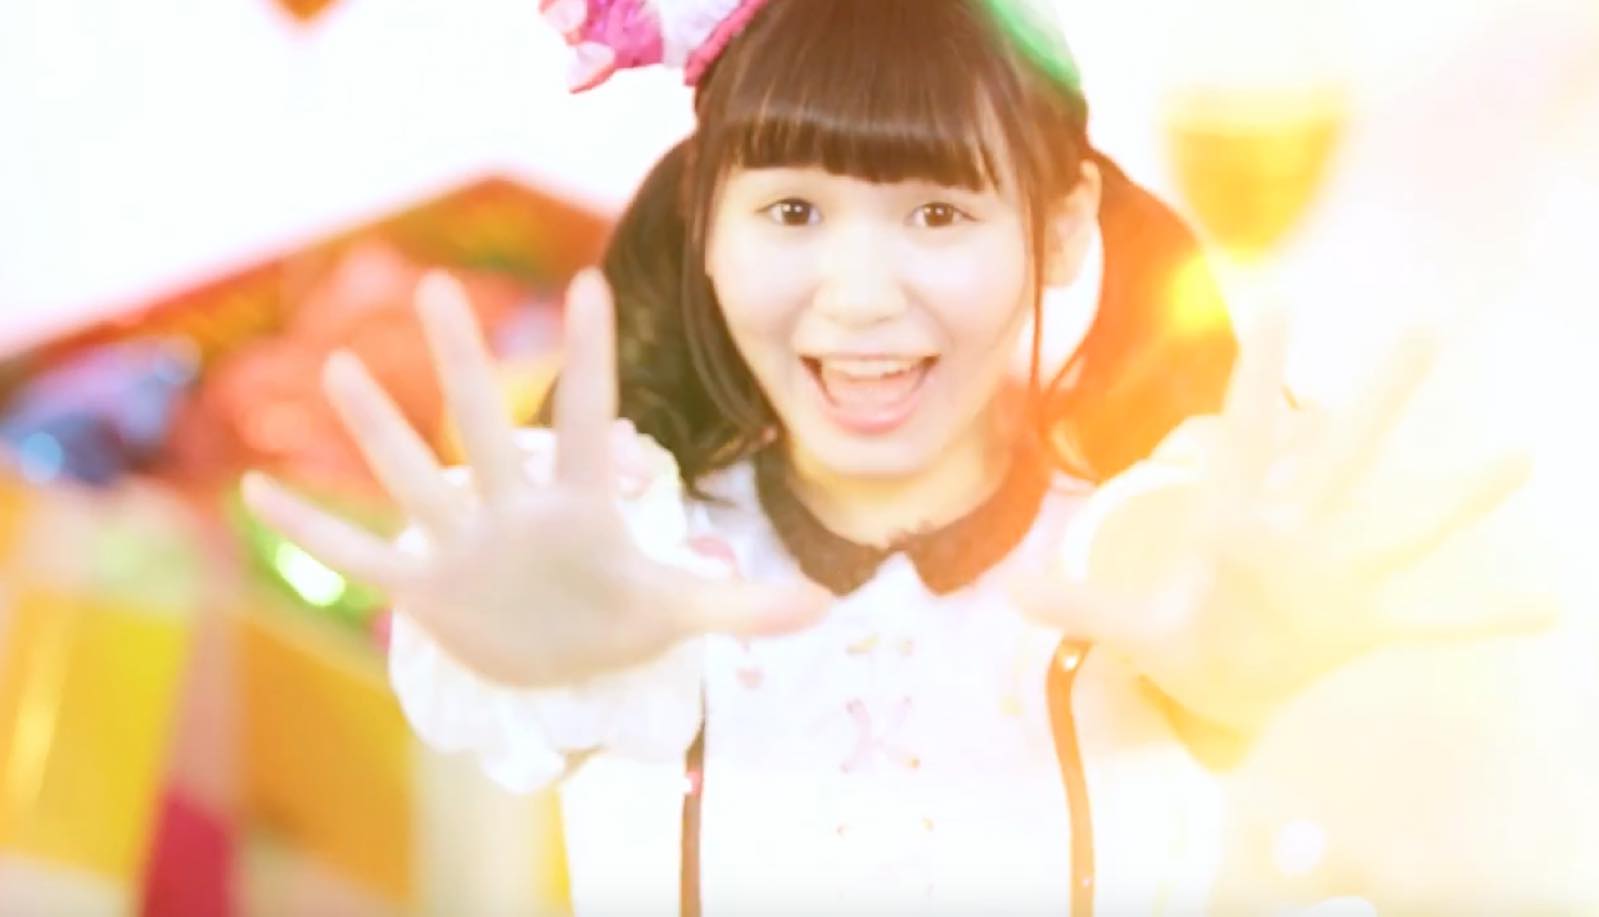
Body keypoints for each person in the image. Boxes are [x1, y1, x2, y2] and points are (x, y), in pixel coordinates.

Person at [242, 0, 1536, 911]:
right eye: (793, 209)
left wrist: (1232, 646)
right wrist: (512, 638)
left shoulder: (1131, 552)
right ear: (704, 227)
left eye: (937, 213)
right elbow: (540, 632)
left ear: (1060, 229)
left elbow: (1161, 570)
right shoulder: (651, 562)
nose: (859, 297)